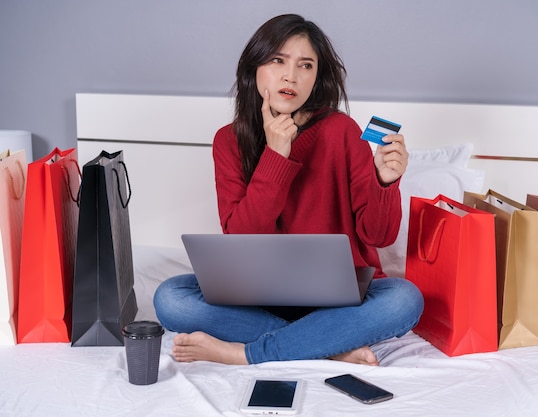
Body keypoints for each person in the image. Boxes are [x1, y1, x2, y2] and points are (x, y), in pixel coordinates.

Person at [153, 14, 423, 366]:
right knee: (171, 297)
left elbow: (380, 235)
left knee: (404, 298)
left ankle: (246, 353)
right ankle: (331, 346)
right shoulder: (228, 141)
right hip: (257, 298)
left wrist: (385, 182)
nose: (290, 76)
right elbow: (242, 239)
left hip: (343, 301)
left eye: (305, 65)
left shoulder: (342, 131)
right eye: (278, 60)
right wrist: (275, 156)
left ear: (316, 77)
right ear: (254, 67)